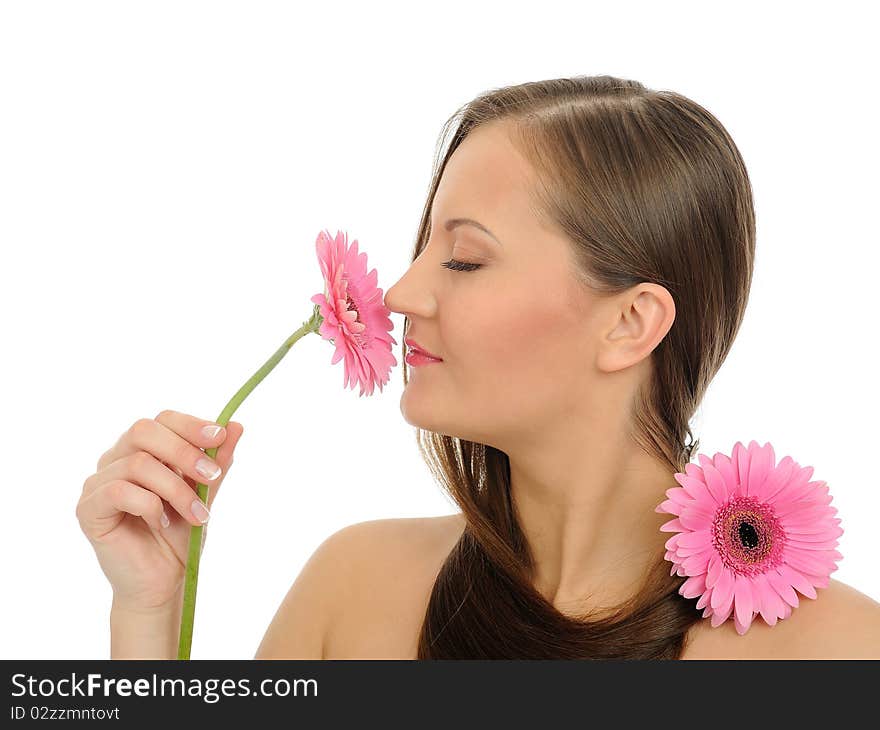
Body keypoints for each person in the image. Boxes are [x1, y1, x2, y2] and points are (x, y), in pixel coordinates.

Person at [76, 75, 880, 659]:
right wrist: (148, 619)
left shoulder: (836, 651)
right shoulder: (351, 589)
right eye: (424, 244)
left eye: (463, 259)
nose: (397, 293)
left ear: (631, 323)